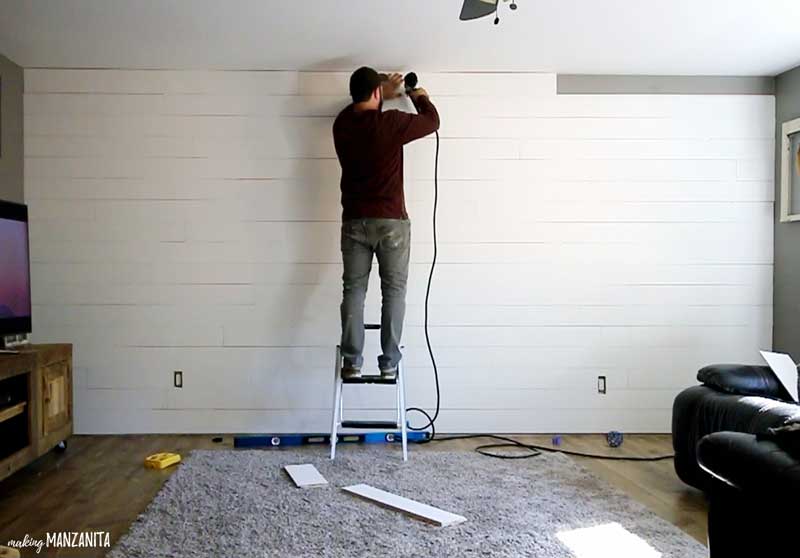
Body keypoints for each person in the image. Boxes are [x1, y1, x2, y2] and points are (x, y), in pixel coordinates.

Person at [332, 66, 440, 380]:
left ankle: (352, 362)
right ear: (378, 94)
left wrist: (381, 94)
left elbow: (354, 109)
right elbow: (432, 121)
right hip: (392, 222)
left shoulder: (342, 125)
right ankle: (389, 363)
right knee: (393, 292)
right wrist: (417, 95)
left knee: (353, 290)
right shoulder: (390, 122)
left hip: (354, 221)